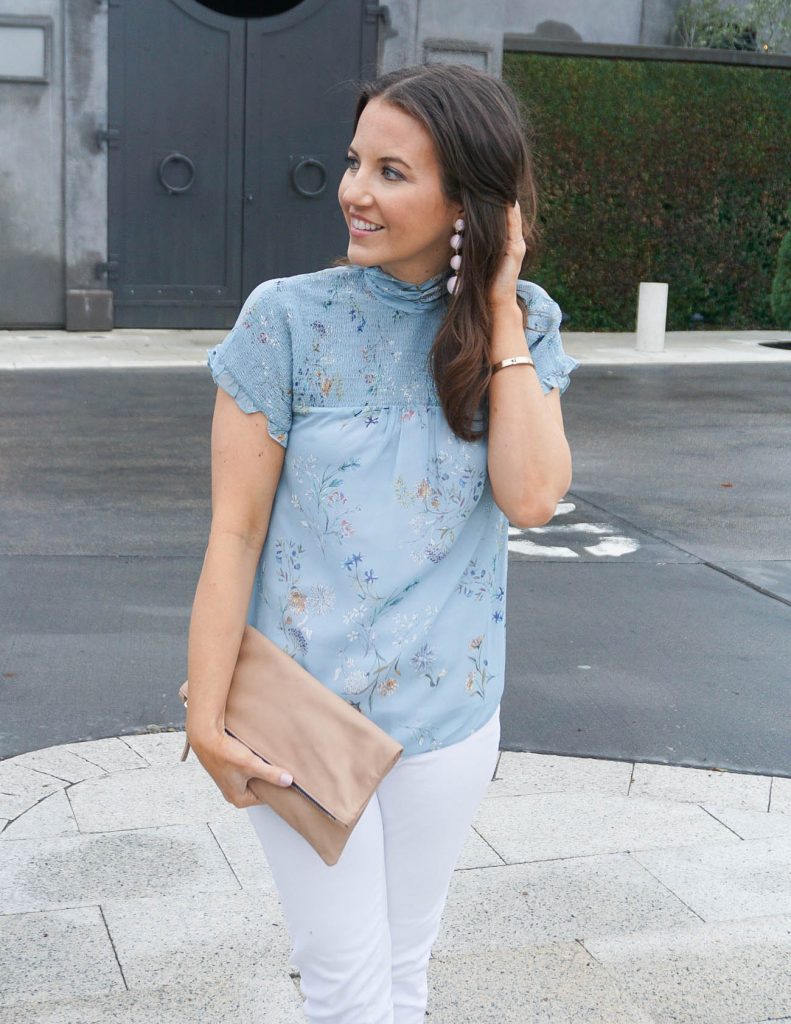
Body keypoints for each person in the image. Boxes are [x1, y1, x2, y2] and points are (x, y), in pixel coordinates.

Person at [185, 62, 580, 1024]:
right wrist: (206, 712)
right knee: (346, 987)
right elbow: (233, 531)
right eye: (355, 162)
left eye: (392, 172)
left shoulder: (519, 325)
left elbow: (531, 497)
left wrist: (496, 305)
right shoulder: (285, 319)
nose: (354, 192)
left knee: (406, 971)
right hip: (298, 710)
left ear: (469, 201)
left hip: (449, 714)